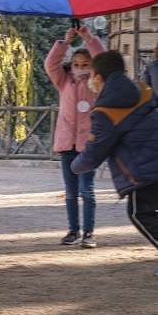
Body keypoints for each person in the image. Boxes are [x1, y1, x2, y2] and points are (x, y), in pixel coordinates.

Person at [71, 50, 158, 276]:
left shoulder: (105, 111)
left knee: (139, 213)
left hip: (147, 169)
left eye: (91, 75)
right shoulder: (143, 89)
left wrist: (74, 166)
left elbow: (93, 153)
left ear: (98, 78)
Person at [44, 25, 106, 247]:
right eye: (77, 64)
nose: (80, 68)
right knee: (70, 192)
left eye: (85, 65)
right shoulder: (64, 81)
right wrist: (66, 40)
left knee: (86, 191)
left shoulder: (97, 83)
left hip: (88, 145)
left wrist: (89, 38)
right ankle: (72, 230)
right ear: (71, 65)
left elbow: (104, 59)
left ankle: (88, 233)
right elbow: (50, 64)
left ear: (92, 66)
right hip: (66, 144)